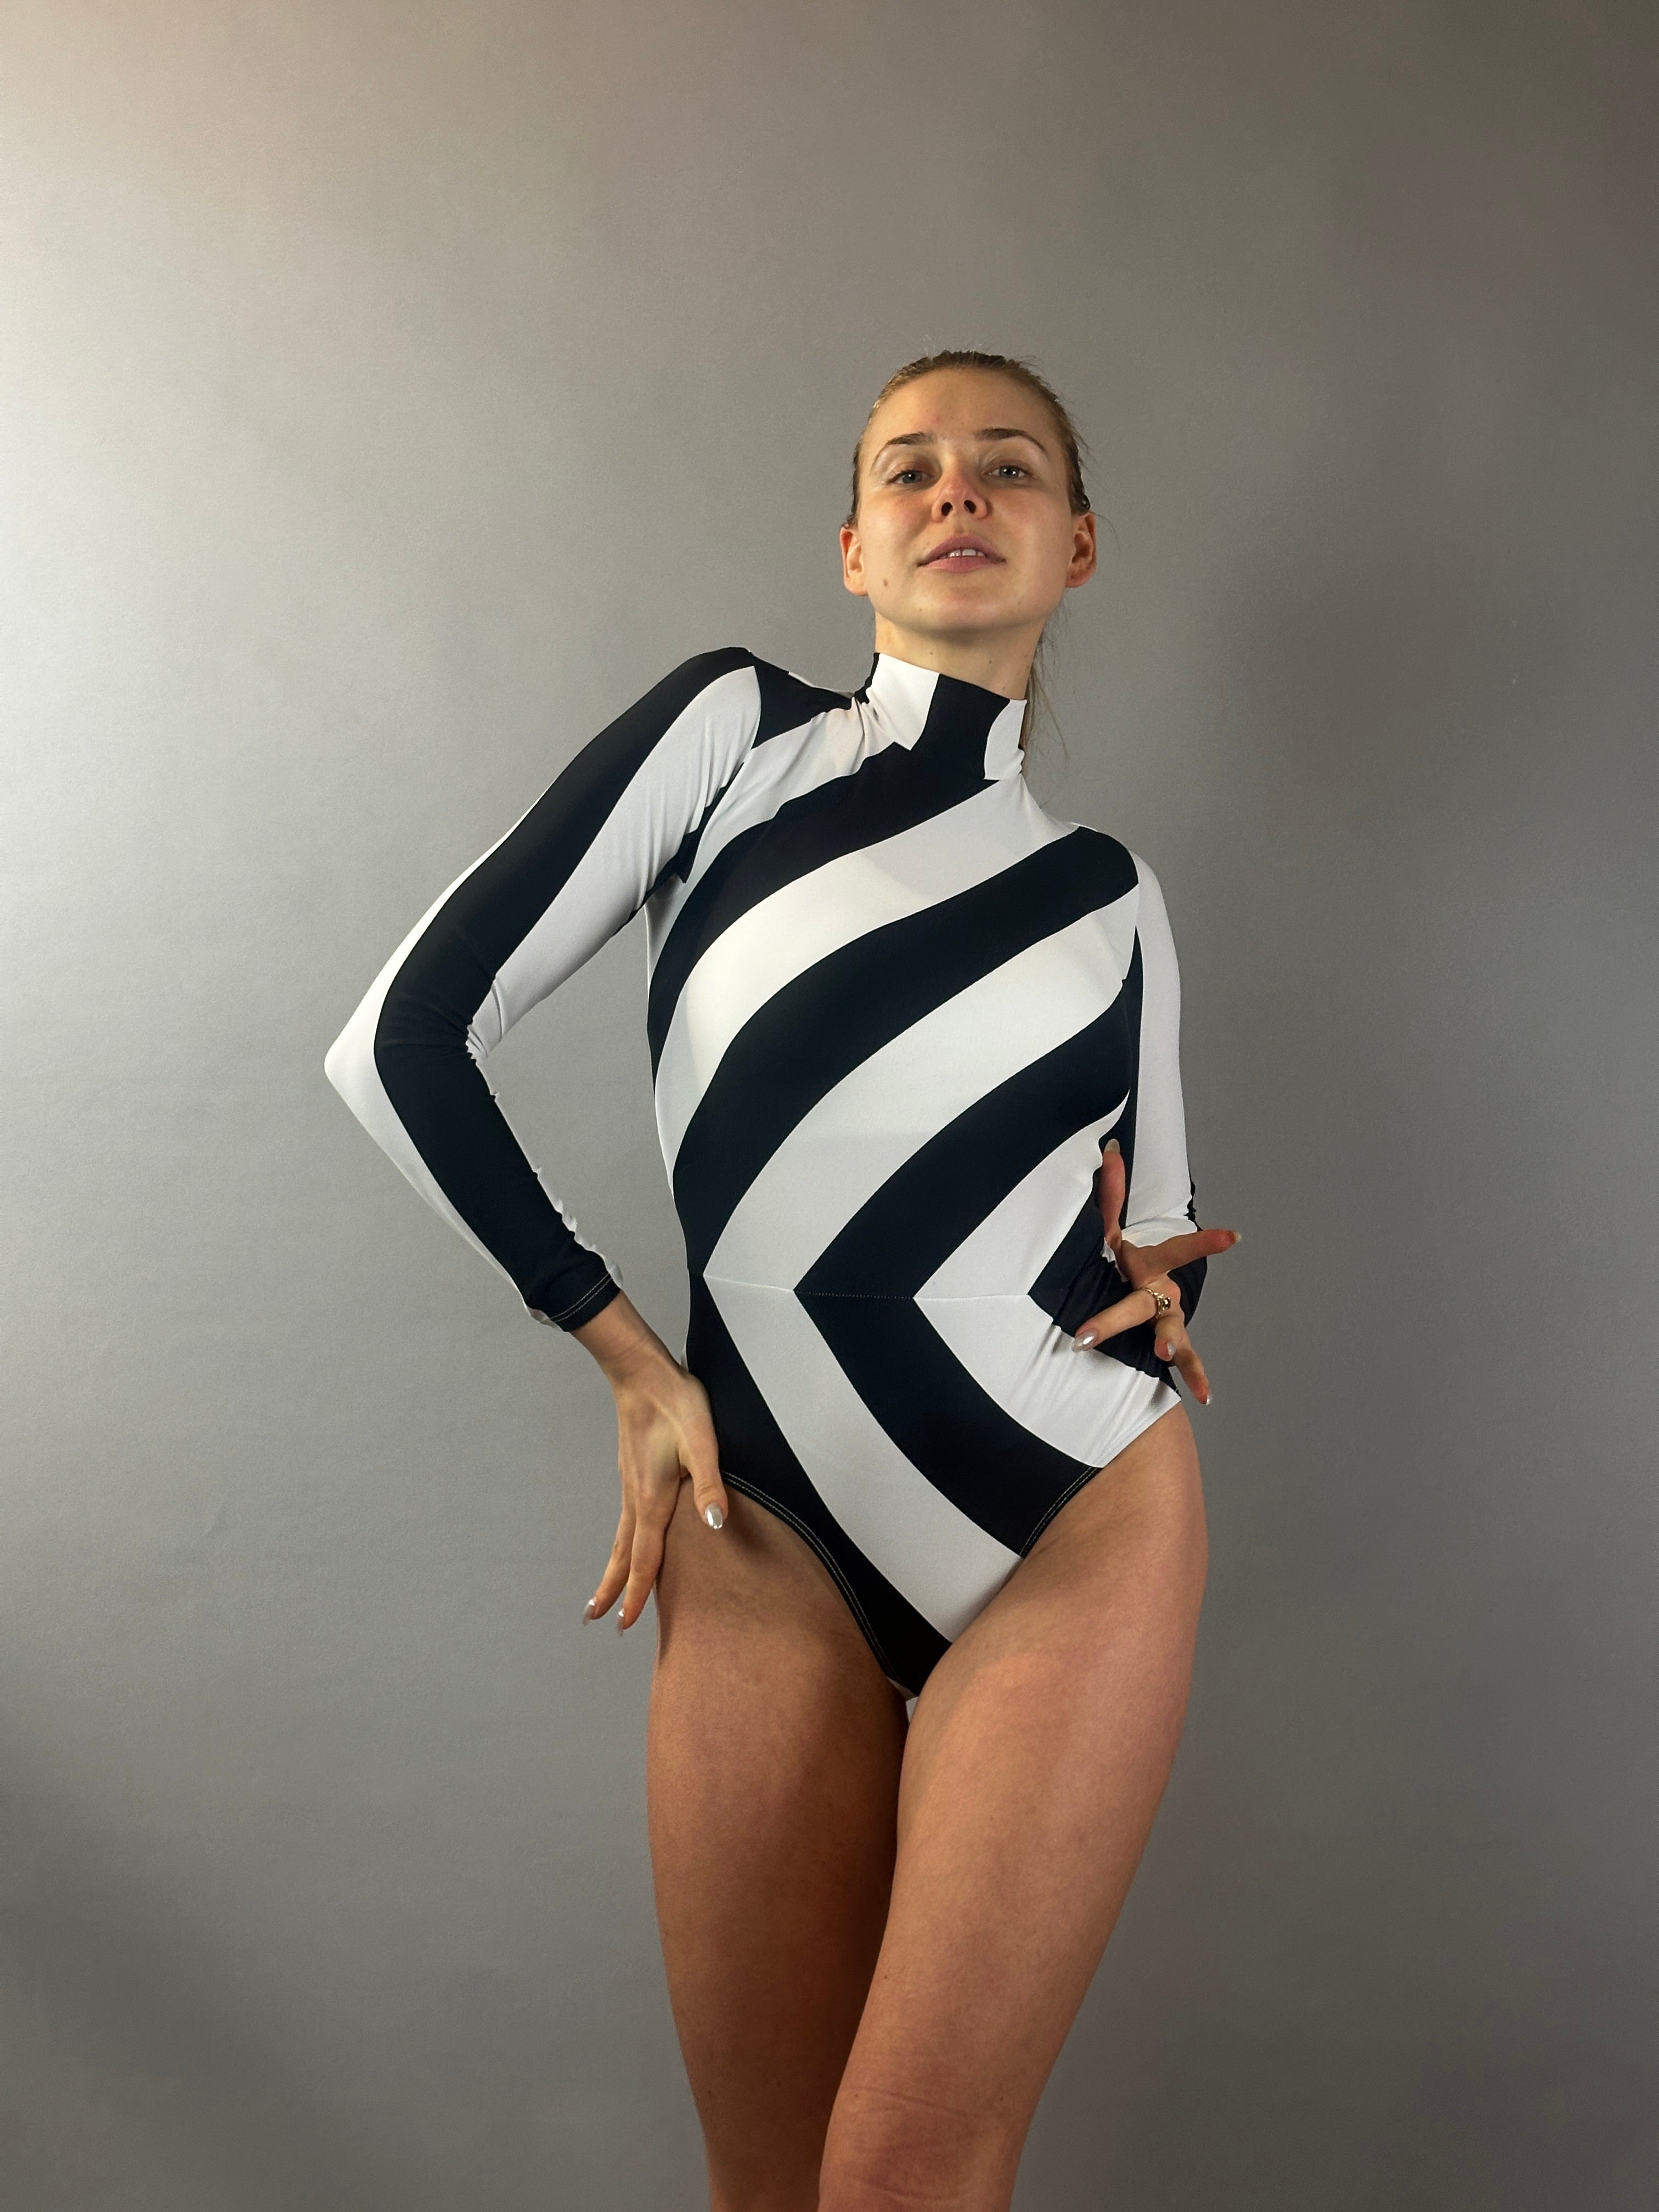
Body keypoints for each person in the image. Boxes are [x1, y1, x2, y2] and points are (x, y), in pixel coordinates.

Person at [324, 348, 1238, 2212]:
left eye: (1008, 469)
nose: (957, 493)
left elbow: (1159, 1236)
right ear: (850, 543)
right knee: (769, 2182)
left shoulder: (1113, 897)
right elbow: (405, 1042)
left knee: (907, 2170)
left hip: (1070, 1523)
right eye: (911, 470)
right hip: (766, 1543)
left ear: (1080, 545)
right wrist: (628, 1360)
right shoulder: (734, 739)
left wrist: (1164, 1291)